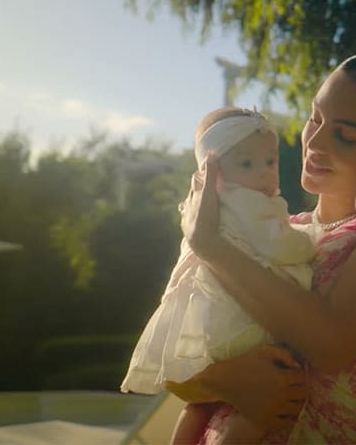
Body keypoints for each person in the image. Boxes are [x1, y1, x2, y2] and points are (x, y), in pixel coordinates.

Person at [169, 50, 356, 443]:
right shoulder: (278, 232)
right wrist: (225, 378)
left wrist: (208, 242)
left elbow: (329, 343)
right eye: (314, 118)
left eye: (345, 135)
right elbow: (174, 353)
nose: (313, 141)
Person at [121, 107, 316, 443]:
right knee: (257, 406)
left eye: (269, 162)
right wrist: (310, 242)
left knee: (198, 407)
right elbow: (279, 247)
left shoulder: (205, 205)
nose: (262, 174)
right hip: (243, 323)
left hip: (209, 325)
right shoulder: (247, 203)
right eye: (246, 164)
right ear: (215, 171)